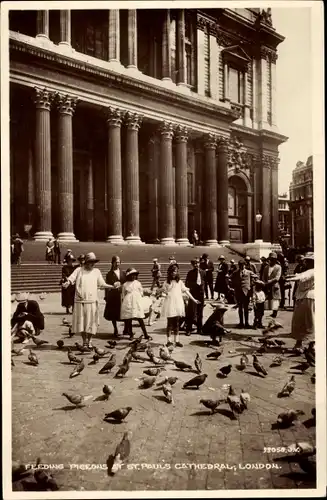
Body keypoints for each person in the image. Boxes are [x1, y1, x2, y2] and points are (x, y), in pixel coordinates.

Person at [62, 252, 116, 349]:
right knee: (82, 323)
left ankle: (90, 341)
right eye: (91, 262)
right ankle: (84, 342)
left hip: (92, 301)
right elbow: (71, 279)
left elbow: (102, 284)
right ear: (86, 262)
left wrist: (112, 286)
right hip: (80, 301)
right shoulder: (79, 270)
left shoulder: (96, 272)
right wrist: (67, 283)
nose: (92, 264)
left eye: (94, 262)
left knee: (91, 323)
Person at [161, 265, 200, 348]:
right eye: (172, 271)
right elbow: (163, 292)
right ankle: (169, 341)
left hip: (178, 303)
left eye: (175, 271)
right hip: (170, 303)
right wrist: (164, 294)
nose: (174, 273)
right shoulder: (166, 282)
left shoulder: (180, 282)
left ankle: (177, 340)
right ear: (169, 273)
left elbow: (186, 292)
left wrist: (194, 300)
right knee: (170, 323)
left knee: (177, 323)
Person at [286, 252, 314, 349]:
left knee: (308, 321)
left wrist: (291, 278)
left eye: (308, 261)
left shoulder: (313, 271)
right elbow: (300, 275)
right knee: (301, 321)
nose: (306, 262)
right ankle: (300, 343)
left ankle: (310, 345)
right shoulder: (306, 269)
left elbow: (302, 276)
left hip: (308, 298)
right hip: (302, 298)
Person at [120, 268, 152, 340]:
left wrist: (139, 298)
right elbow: (123, 294)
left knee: (140, 318)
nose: (133, 277)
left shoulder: (138, 283)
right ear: (128, 276)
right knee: (129, 318)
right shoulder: (125, 285)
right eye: (131, 275)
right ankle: (131, 334)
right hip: (128, 302)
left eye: (134, 275)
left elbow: (141, 292)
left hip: (137, 301)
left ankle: (145, 334)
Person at [104, 256, 126, 337]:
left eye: (118, 262)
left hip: (122, 295)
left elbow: (126, 283)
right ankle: (115, 328)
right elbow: (106, 286)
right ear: (112, 263)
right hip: (113, 296)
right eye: (115, 262)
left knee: (124, 312)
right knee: (113, 313)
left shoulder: (123, 273)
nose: (117, 264)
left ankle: (125, 329)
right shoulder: (109, 274)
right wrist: (106, 296)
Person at [231, 259, 257, 328]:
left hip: (246, 292)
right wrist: (233, 286)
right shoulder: (235, 272)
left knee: (246, 308)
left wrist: (252, 284)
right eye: (240, 265)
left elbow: (256, 277)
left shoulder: (249, 272)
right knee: (240, 308)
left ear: (245, 265)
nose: (241, 267)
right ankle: (241, 323)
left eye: (243, 265)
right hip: (238, 292)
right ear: (238, 266)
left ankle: (247, 323)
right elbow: (230, 278)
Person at [185, 258, 205, 336]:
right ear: (192, 265)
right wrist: (194, 285)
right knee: (191, 312)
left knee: (200, 312)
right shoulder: (190, 273)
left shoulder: (203, 272)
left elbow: (204, 282)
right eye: (194, 264)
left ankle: (199, 329)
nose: (196, 265)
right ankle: (189, 329)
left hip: (201, 294)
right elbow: (187, 284)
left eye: (197, 263)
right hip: (193, 294)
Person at [262, 252, 282, 318]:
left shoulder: (278, 267)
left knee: (275, 299)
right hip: (267, 285)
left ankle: (274, 313)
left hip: (274, 285)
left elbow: (277, 278)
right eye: (271, 259)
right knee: (267, 299)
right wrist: (264, 282)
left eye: (273, 259)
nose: (272, 260)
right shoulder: (266, 267)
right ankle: (264, 312)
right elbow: (263, 276)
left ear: (276, 260)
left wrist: (269, 281)